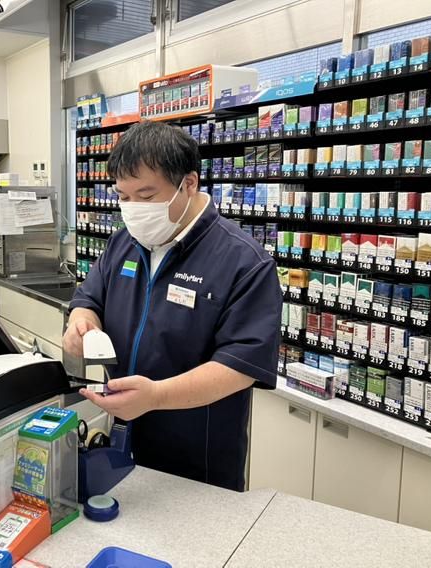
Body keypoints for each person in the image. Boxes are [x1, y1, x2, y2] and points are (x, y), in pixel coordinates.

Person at [64, 120, 282, 491]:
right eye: (123, 197)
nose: (133, 209)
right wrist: (80, 322)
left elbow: (240, 366)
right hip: (122, 442)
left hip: (198, 463)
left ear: (189, 183)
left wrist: (157, 397)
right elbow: (89, 298)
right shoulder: (123, 243)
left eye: (146, 196)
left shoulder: (245, 262)